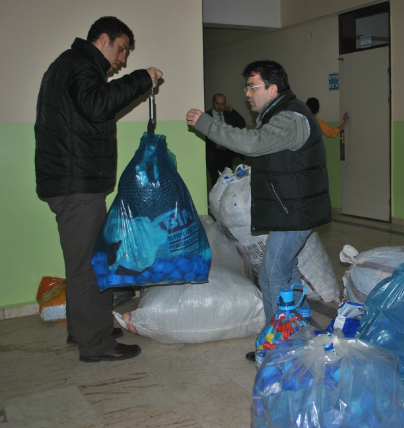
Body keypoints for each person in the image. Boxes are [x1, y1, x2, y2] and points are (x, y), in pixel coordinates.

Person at [35, 16, 163, 362]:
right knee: (91, 266)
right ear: (103, 40)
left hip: (70, 181)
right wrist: (140, 80)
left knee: (82, 262)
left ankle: (84, 329)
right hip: (77, 184)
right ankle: (97, 344)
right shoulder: (80, 67)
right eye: (120, 50)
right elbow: (97, 105)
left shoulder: (66, 65)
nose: (122, 61)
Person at [186, 61, 331, 362]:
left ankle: (278, 349)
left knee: (271, 275)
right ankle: (297, 337)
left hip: (295, 212)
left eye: (253, 87)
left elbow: (251, 143)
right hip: (290, 210)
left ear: (273, 89)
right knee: (288, 272)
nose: (247, 94)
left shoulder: (289, 119)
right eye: (247, 87)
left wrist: (206, 123)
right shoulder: (280, 114)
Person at [204, 93, 246, 182]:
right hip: (214, 153)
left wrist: (232, 111)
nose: (220, 106)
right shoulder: (207, 116)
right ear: (212, 103)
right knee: (216, 180)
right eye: (217, 103)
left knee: (228, 179)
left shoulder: (228, 114)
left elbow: (242, 123)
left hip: (227, 153)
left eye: (222, 104)